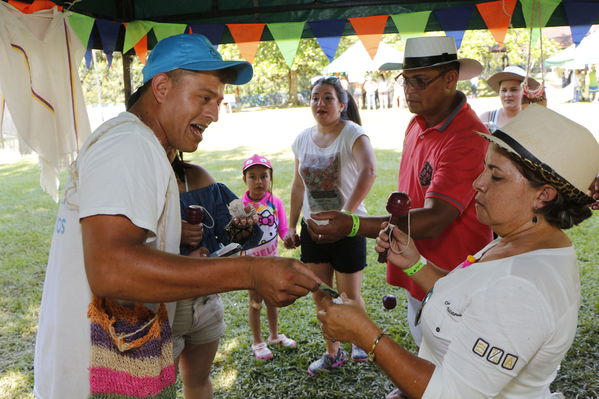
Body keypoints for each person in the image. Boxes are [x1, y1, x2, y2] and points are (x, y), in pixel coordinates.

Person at [33, 33, 321, 399]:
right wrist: (251, 272)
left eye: (218, 101)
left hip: (115, 367)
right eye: (204, 97)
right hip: (89, 379)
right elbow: (111, 269)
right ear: (163, 87)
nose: (214, 114)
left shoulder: (144, 148)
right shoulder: (130, 145)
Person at [318, 104, 599, 399]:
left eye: (496, 176)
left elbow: (451, 394)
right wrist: (416, 264)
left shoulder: (521, 288)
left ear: (544, 195)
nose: (478, 183)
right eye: (484, 169)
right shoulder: (521, 241)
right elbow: (468, 300)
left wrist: (365, 334)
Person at [306, 37, 493, 391]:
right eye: (405, 79)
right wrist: (393, 231)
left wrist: (357, 224)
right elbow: (413, 197)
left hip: (451, 276)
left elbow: (437, 216)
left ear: (451, 78)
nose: (409, 89)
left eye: (420, 81)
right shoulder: (418, 123)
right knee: (427, 343)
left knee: (458, 369)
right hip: (418, 265)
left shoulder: (466, 136)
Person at [283, 76, 377, 376]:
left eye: (327, 98)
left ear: (342, 103)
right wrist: (293, 226)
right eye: (315, 97)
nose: (319, 104)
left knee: (348, 295)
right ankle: (332, 353)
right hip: (314, 230)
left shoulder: (353, 134)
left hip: (348, 229)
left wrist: (347, 216)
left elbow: (369, 171)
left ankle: (361, 342)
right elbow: (298, 186)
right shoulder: (301, 139)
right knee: (322, 295)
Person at [170, 148, 263, 399]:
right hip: (162, 308)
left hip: (206, 301)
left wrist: (241, 227)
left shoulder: (197, 177)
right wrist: (171, 232)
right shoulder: (133, 182)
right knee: (156, 390)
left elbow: (229, 235)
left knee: (199, 381)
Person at [240, 154, 298, 360]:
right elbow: (236, 237)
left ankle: (274, 335)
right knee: (255, 302)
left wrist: (289, 238)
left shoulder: (276, 202)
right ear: (244, 180)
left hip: (272, 262)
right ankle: (258, 342)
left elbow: (282, 229)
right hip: (251, 266)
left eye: (264, 176)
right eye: (253, 176)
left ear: (270, 178)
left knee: (272, 300)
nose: (259, 181)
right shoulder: (240, 205)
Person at [479, 66, 539, 132]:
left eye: (513, 90)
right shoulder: (487, 118)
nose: (507, 95)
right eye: (504, 90)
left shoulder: (534, 120)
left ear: (525, 92)